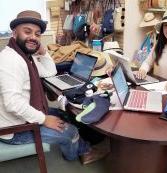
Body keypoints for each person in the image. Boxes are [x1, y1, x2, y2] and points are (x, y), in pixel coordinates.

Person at [0, 10, 106, 164]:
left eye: (37, 34)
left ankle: (83, 148)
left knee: (65, 114)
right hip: (15, 130)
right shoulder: (11, 61)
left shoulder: (25, 56)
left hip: (22, 115)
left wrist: (43, 51)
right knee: (71, 131)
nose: (33, 37)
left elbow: (50, 71)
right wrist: (44, 119)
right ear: (14, 33)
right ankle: (76, 155)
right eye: (27, 32)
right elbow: (13, 104)